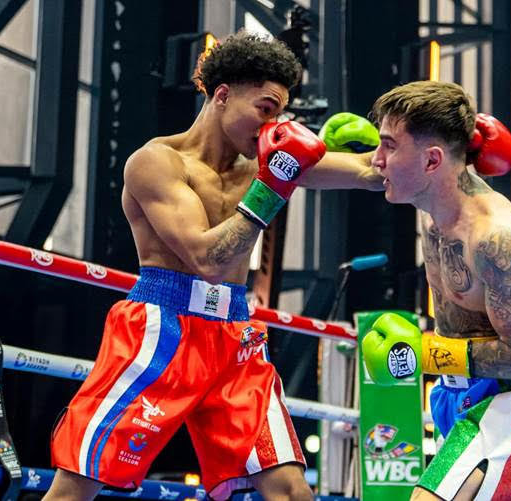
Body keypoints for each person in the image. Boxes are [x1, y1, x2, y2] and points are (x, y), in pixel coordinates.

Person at [43, 31, 380, 501]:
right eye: (265, 109)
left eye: (280, 114)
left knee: (290, 489)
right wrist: (273, 186)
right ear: (222, 95)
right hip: (162, 328)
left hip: (234, 335)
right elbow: (206, 259)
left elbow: (369, 172)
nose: (272, 126)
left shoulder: (264, 163)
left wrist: (443, 149)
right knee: (76, 488)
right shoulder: (157, 163)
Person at [360, 80, 511, 500]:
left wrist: (420, 355)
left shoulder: (495, 238)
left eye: (388, 145)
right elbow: (343, 172)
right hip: (455, 394)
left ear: (432, 160)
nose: (376, 160)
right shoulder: (430, 210)